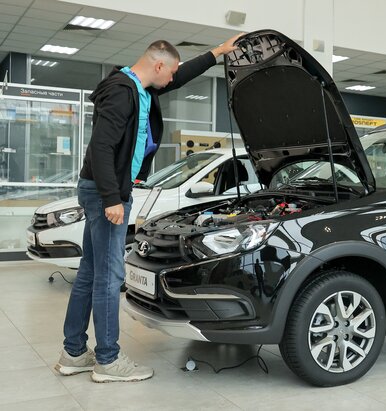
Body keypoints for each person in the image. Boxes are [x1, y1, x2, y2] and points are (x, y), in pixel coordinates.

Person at [54, 33, 243, 383]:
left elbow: (180, 75)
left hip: (102, 189)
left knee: (90, 273)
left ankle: (74, 353)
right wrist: (112, 198)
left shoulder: (141, 89)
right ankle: (108, 360)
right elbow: (101, 147)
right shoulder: (121, 92)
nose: (172, 81)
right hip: (106, 192)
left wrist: (217, 52)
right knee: (109, 277)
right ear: (157, 66)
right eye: (169, 73)